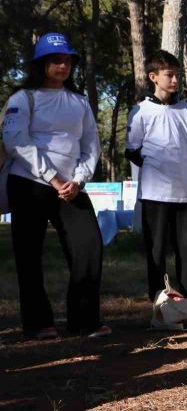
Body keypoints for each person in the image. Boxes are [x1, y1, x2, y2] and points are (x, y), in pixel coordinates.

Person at [2, 32, 110, 339]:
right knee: (29, 253)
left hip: (71, 188)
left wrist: (77, 179)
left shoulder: (79, 102)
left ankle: (84, 320)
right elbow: (15, 140)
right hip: (29, 184)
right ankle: (38, 323)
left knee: (89, 245)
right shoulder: (23, 99)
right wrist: (53, 177)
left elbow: (91, 145)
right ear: (40, 64)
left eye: (67, 61)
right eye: (55, 61)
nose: (62, 66)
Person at [125, 50, 187, 316]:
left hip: (184, 193)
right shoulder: (141, 111)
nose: (175, 80)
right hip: (155, 194)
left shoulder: (184, 110)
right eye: (169, 75)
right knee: (156, 251)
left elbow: (185, 148)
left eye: (177, 75)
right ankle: (159, 301)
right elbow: (132, 150)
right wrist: (157, 165)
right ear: (153, 77)